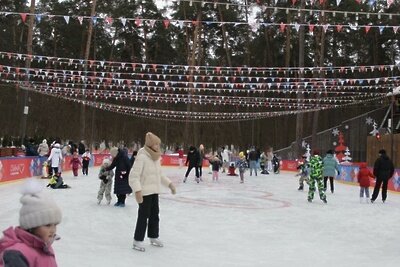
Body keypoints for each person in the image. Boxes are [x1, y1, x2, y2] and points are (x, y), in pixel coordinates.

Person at [129, 132, 176, 252]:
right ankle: (137, 240)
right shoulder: (142, 157)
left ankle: (153, 236)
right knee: (143, 216)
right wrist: (138, 191)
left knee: (155, 215)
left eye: (158, 144)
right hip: (144, 193)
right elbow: (133, 177)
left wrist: (169, 184)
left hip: (154, 192)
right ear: (150, 144)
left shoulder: (156, 158)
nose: (157, 146)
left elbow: (160, 175)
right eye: (155, 144)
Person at [0, 179, 62, 267]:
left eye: (54, 225)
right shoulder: (16, 254)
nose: (53, 230)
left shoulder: (44, 246)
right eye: (47, 225)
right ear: (31, 226)